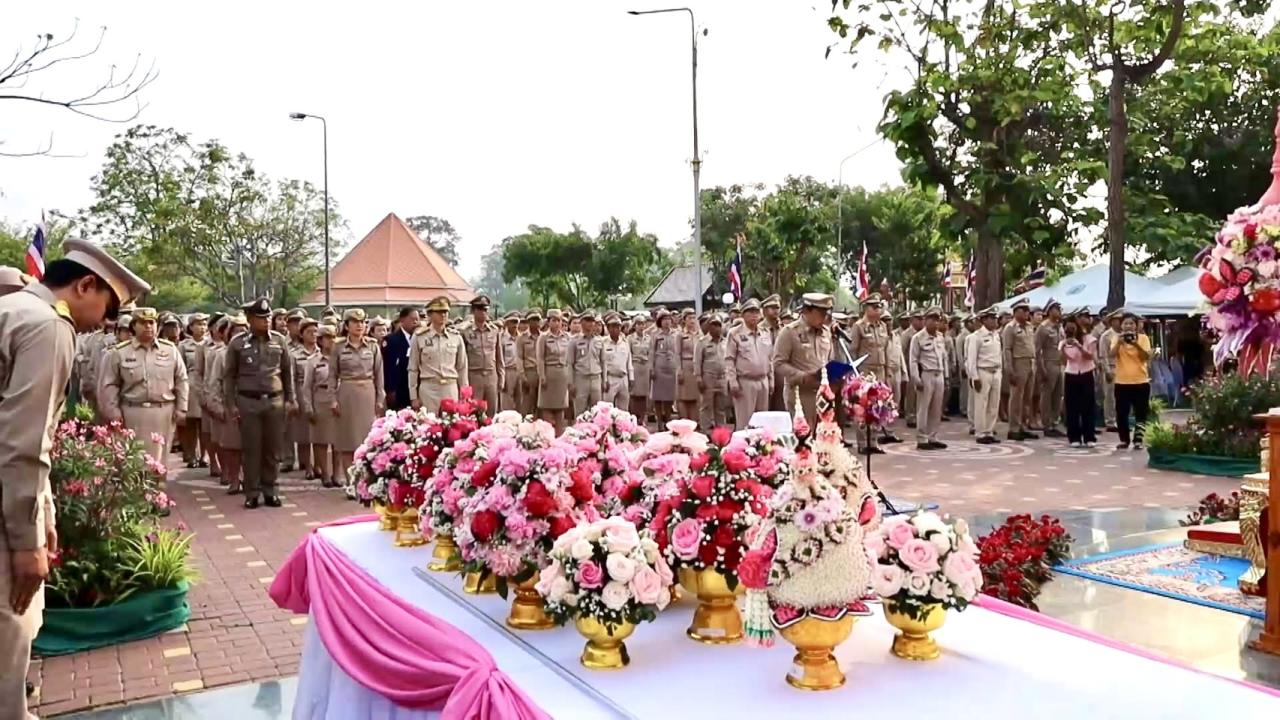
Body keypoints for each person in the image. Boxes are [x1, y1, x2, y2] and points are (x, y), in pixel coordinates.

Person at [0, 239, 148, 720]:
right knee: (10, 628)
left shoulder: (13, 310)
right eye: (107, 309)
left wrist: (44, 510)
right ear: (85, 285)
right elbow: (23, 443)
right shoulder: (48, 327)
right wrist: (26, 542)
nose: (104, 324)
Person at [224, 298, 295, 510]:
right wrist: (231, 404)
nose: (266, 322)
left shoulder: (280, 341)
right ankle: (252, 492)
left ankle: (270, 490)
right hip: (248, 401)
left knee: (273, 449)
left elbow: (287, 372)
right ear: (250, 319)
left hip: (275, 400)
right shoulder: (237, 343)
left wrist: (291, 399)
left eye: (268, 318)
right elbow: (229, 376)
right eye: (261, 318)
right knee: (252, 449)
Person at [99, 307, 189, 474]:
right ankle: (137, 498)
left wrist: (181, 408)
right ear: (134, 326)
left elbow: (181, 380)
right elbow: (109, 384)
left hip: (163, 412)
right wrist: (113, 413)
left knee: (159, 464)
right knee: (134, 462)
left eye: (152, 322)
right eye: (143, 323)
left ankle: (158, 496)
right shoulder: (120, 352)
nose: (148, 326)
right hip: (132, 412)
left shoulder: (170, 350)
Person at [331, 308, 385, 488]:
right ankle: (350, 482)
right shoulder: (338, 347)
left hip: (367, 392)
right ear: (346, 326)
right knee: (347, 440)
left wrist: (379, 398)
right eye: (355, 322)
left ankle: (366, 482)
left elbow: (379, 375)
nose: (359, 325)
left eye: (362, 322)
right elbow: (332, 375)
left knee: (368, 440)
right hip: (347, 391)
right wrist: (333, 399)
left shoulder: (372, 346)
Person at [773, 293, 834, 427]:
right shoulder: (789, 332)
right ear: (807, 311)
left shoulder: (826, 333)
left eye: (826, 313)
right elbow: (778, 364)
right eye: (821, 313)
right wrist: (802, 377)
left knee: (823, 438)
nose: (825, 317)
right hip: (799, 394)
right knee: (802, 439)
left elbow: (830, 359)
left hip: (822, 394)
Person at [848, 293, 892, 452]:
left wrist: (887, 373)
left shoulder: (882, 326)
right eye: (874, 306)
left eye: (879, 306)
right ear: (866, 308)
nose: (878, 309)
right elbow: (853, 352)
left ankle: (873, 441)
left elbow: (885, 350)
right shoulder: (859, 326)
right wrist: (854, 376)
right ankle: (862, 443)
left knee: (878, 406)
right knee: (862, 408)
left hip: (879, 370)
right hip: (865, 371)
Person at [205, 315, 245, 494]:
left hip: (252, 405)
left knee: (252, 446)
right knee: (232, 446)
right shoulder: (221, 355)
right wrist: (217, 407)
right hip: (230, 406)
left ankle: (250, 480)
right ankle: (234, 479)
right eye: (236, 330)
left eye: (244, 329)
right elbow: (214, 384)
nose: (241, 333)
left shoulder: (255, 351)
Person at [409, 296, 467, 414]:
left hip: (450, 387)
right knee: (429, 426)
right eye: (439, 312)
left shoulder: (456, 337)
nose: (443, 315)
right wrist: (413, 396)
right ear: (430, 315)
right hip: (429, 388)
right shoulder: (419, 337)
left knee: (452, 426)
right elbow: (413, 368)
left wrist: (465, 392)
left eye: (445, 312)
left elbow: (462, 367)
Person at [725, 298, 772, 431]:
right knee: (745, 421)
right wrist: (732, 381)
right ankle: (743, 449)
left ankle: (762, 449)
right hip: (745, 382)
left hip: (763, 381)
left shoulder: (765, 333)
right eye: (750, 312)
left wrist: (771, 379)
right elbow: (729, 359)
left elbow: (770, 358)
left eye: (756, 312)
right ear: (743, 314)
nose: (754, 315)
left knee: (762, 421)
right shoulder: (735, 333)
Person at [302, 324, 340, 487]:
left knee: (338, 439)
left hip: (338, 399)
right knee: (320, 440)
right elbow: (307, 386)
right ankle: (324, 473)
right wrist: (308, 407)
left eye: (333, 337)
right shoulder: (313, 361)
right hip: (320, 399)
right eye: (327, 337)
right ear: (320, 340)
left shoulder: (340, 358)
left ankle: (337, 474)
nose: (331, 341)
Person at [1111, 312, 1152, 450]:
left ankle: (1138, 439)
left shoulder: (1143, 338)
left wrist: (1136, 344)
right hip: (1122, 382)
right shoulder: (1116, 338)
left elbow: (1146, 356)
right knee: (1121, 413)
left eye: (1131, 323)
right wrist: (1119, 343)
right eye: (1126, 323)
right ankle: (1124, 439)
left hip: (1140, 381)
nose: (1128, 326)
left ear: (1136, 326)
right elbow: (1111, 354)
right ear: (1121, 326)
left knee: (1141, 412)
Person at [909, 307, 949, 450]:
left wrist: (947, 376)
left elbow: (944, 357)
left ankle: (933, 436)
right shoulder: (918, 338)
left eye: (937, 320)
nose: (935, 323)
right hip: (926, 374)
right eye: (932, 319)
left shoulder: (940, 337)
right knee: (923, 407)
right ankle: (922, 438)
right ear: (925, 320)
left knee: (936, 408)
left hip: (939, 373)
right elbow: (913, 360)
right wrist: (916, 378)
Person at [1001, 298, 1038, 441]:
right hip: (1018, 362)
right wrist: (1009, 369)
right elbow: (1007, 349)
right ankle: (1014, 428)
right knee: (1016, 397)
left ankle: (1023, 425)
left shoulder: (1029, 326)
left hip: (1030, 361)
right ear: (1016, 312)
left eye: (1028, 310)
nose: (1027, 313)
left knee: (1027, 397)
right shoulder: (1010, 328)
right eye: (1024, 310)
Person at [966, 307, 1003, 444]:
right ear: (984, 320)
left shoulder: (996, 335)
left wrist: (1000, 371)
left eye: (995, 318)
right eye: (992, 318)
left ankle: (989, 431)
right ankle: (980, 432)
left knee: (994, 404)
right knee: (981, 403)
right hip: (983, 371)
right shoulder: (976, 337)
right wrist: (974, 377)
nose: (995, 321)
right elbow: (971, 359)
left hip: (996, 371)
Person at [289, 319, 321, 479]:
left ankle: (318, 465)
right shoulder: (295, 354)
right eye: (309, 332)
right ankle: (307, 465)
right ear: (301, 334)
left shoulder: (322, 353)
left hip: (319, 393)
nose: (313, 335)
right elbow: (291, 378)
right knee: (304, 434)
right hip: (302, 392)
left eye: (315, 331)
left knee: (319, 431)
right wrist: (293, 399)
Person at [1061, 314, 1098, 448]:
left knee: (1088, 405)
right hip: (1071, 374)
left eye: (1072, 327)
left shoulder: (1089, 339)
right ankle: (1074, 436)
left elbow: (1090, 357)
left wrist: (1079, 346)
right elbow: (1064, 361)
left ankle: (1089, 436)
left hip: (1086, 373)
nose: (1070, 331)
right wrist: (1062, 348)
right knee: (1072, 407)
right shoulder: (1063, 342)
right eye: (1067, 329)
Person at [461, 296, 503, 415]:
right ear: (473, 311)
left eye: (485, 309)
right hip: (474, 376)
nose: (483, 312)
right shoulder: (465, 332)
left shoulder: (494, 331)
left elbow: (499, 356)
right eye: (480, 309)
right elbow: (462, 360)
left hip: (491, 375)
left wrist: (501, 377)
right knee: (474, 412)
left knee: (491, 412)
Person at [178, 314, 209, 469]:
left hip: (207, 384)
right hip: (190, 385)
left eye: (204, 324)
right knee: (191, 423)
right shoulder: (184, 345)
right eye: (198, 324)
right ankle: (191, 455)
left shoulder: (210, 344)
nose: (202, 327)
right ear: (190, 327)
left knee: (205, 423)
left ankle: (204, 455)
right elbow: (180, 369)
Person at [536, 309, 572, 431]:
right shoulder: (543, 337)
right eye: (554, 320)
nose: (557, 323)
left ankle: (559, 437)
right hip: (549, 374)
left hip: (562, 375)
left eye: (559, 320)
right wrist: (542, 375)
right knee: (547, 408)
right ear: (548, 321)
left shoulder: (567, 337)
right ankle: (548, 436)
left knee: (560, 410)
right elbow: (540, 358)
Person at [1035, 299, 1066, 438]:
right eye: (1056, 309)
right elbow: (1038, 350)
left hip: (1060, 363)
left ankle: (1055, 422)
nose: (1059, 311)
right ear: (1050, 311)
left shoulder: (1060, 327)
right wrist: (1041, 368)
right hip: (1048, 363)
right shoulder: (1043, 327)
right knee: (1047, 395)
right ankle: (1046, 424)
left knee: (1058, 395)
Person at [695, 314, 730, 429]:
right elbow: (697, 361)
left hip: (722, 377)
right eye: (714, 325)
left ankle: (721, 431)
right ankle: (706, 430)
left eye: (719, 325)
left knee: (721, 407)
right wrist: (699, 378)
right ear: (709, 327)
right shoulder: (702, 342)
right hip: (708, 377)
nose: (717, 328)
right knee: (706, 406)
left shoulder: (725, 342)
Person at [570, 312, 606, 418]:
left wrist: (605, 380)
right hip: (581, 378)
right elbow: (570, 363)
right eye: (587, 321)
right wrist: (571, 383)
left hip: (596, 378)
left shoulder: (599, 340)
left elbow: (603, 361)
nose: (590, 324)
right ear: (582, 322)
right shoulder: (575, 341)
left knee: (596, 412)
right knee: (580, 413)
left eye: (592, 321)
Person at [383, 307, 418, 412]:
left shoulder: (420, 339)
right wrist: (390, 390)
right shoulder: (392, 340)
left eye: (417, 319)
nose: (416, 322)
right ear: (402, 320)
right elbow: (388, 368)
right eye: (412, 319)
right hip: (399, 390)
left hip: (416, 390)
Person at [648, 309, 679, 426]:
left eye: (668, 319)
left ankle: (667, 418)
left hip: (671, 367)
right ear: (660, 321)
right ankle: (660, 420)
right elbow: (651, 352)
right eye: (664, 319)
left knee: (669, 395)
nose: (667, 322)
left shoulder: (676, 334)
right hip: (659, 367)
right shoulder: (655, 335)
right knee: (658, 396)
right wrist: (651, 368)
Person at [602, 313, 633, 409]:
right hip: (610, 377)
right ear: (608, 328)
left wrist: (631, 378)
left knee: (623, 409)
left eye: (618, 326)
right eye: (613, 326)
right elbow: (603, 362)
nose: (616, 329)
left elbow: (629, 361)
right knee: (607, 408)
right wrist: (605, 380)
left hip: (623, 377)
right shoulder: (604, 343)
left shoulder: (624, 342)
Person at [1098, 309, 1121, 431]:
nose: (1119, 322)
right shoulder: (1106, 336)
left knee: (1121, 396)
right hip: (1111, 367)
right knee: (1110, 397)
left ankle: (1121, 419)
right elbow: (1103, 355)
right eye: (1117, 320)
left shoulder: (1124, 335)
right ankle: (1110, 422)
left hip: (1123, 368)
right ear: (1112, 322)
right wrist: (1107, 370)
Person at [761, 294, 786, 411]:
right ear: (765, 310)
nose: (776, 311)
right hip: (764, 372)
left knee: (781, 405)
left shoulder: (784, 329)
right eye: (772, 307)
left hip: (780, 372)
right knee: (765, 406)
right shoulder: (759, 328)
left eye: (778, 308)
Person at [675, 309, 700, 422]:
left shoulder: (699, 334)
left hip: (697, 366)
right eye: (689, 318)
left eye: (694, 317)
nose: (692, 320)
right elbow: (677, 353)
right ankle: (684, 421)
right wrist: (679, 369)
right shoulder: (680, 335)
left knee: (696, 396)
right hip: (685, 365)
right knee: (683, 396)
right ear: (684, 320)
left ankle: (694, 421)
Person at [900, 310, 923, 427]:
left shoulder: (923, 334)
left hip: (921, 367)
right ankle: (910, 416)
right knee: (911, 393)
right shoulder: (907, 334)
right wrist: (904, 368)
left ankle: (918, 416)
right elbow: (902, 351)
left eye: (921, 319)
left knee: (919, 393)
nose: (920, 321)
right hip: (910, 366)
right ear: (912, 320)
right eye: (918, 319)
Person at [517, 311, 542, 417]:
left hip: (541, 372)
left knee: (541, 404)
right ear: (528, 322)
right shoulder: (522, 338)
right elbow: (519, 358)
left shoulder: (543, 337)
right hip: (529, 371)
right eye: (533, 320)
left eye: (537, 320)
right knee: (527, 404)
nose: (535, 323)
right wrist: (523, 376)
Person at [628, 314, 652, 423]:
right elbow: (629, 354)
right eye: (638, 324)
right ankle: (634, 417)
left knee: (644, 394)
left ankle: (642, 418)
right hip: (635, 365)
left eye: (643, 324)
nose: (641, 326)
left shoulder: (648, 338)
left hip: (645, 366)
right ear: (634, 325)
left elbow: (650, 353)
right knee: (634, 394)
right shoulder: (630, 338)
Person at [500, 312, 521, 412]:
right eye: (512, 322)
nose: (515, 325)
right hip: (508, 371)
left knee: (520, 400)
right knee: (507, 401)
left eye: (516, 322)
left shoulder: (521, 338)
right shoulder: (502, 338)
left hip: (520, 371)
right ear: (507, 323)